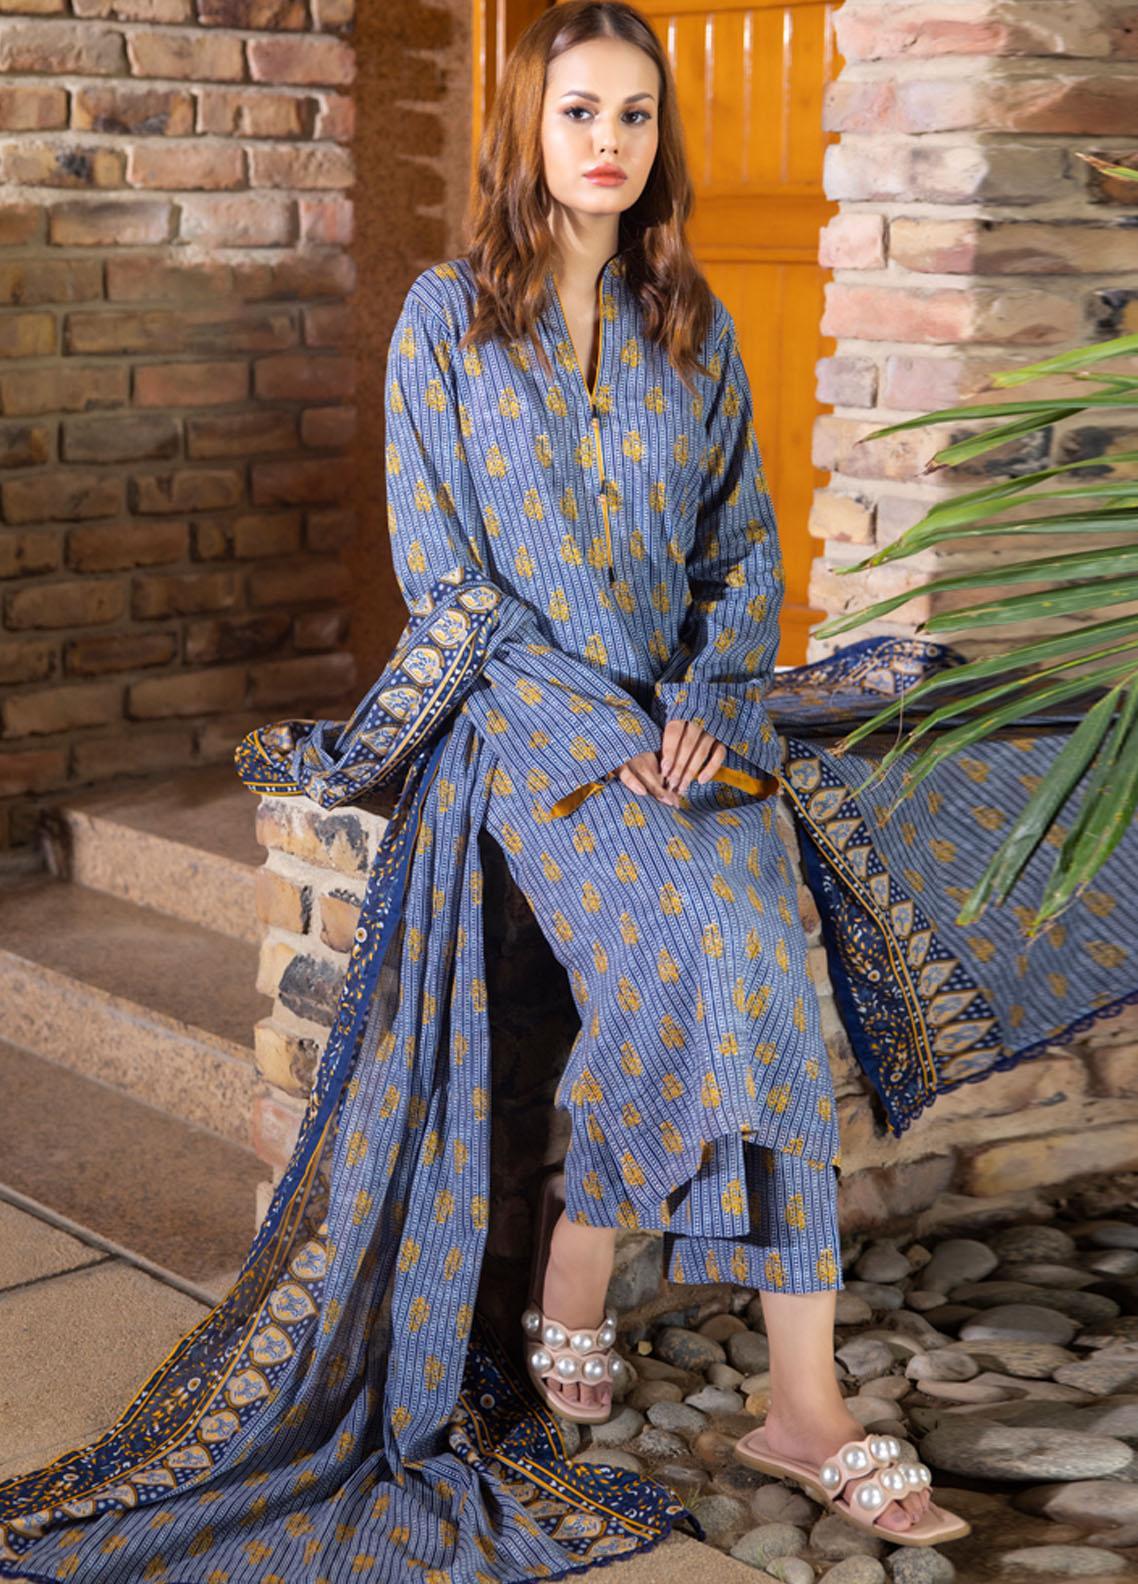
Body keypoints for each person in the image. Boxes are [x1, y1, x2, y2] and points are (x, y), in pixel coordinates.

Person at [0, 3, 969, 1576]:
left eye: (635, 115)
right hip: (523, 738)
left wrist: (712, 700)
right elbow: (444, 577)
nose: (608, 141)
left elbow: (741, 545)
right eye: (579, 111)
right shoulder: (445, 319)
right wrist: (599, 730)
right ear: (526, 130)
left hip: (687, 733)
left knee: (764, 986)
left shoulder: (689, 316)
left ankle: (777, 1386)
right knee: (714, 953)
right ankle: (619, 1272)